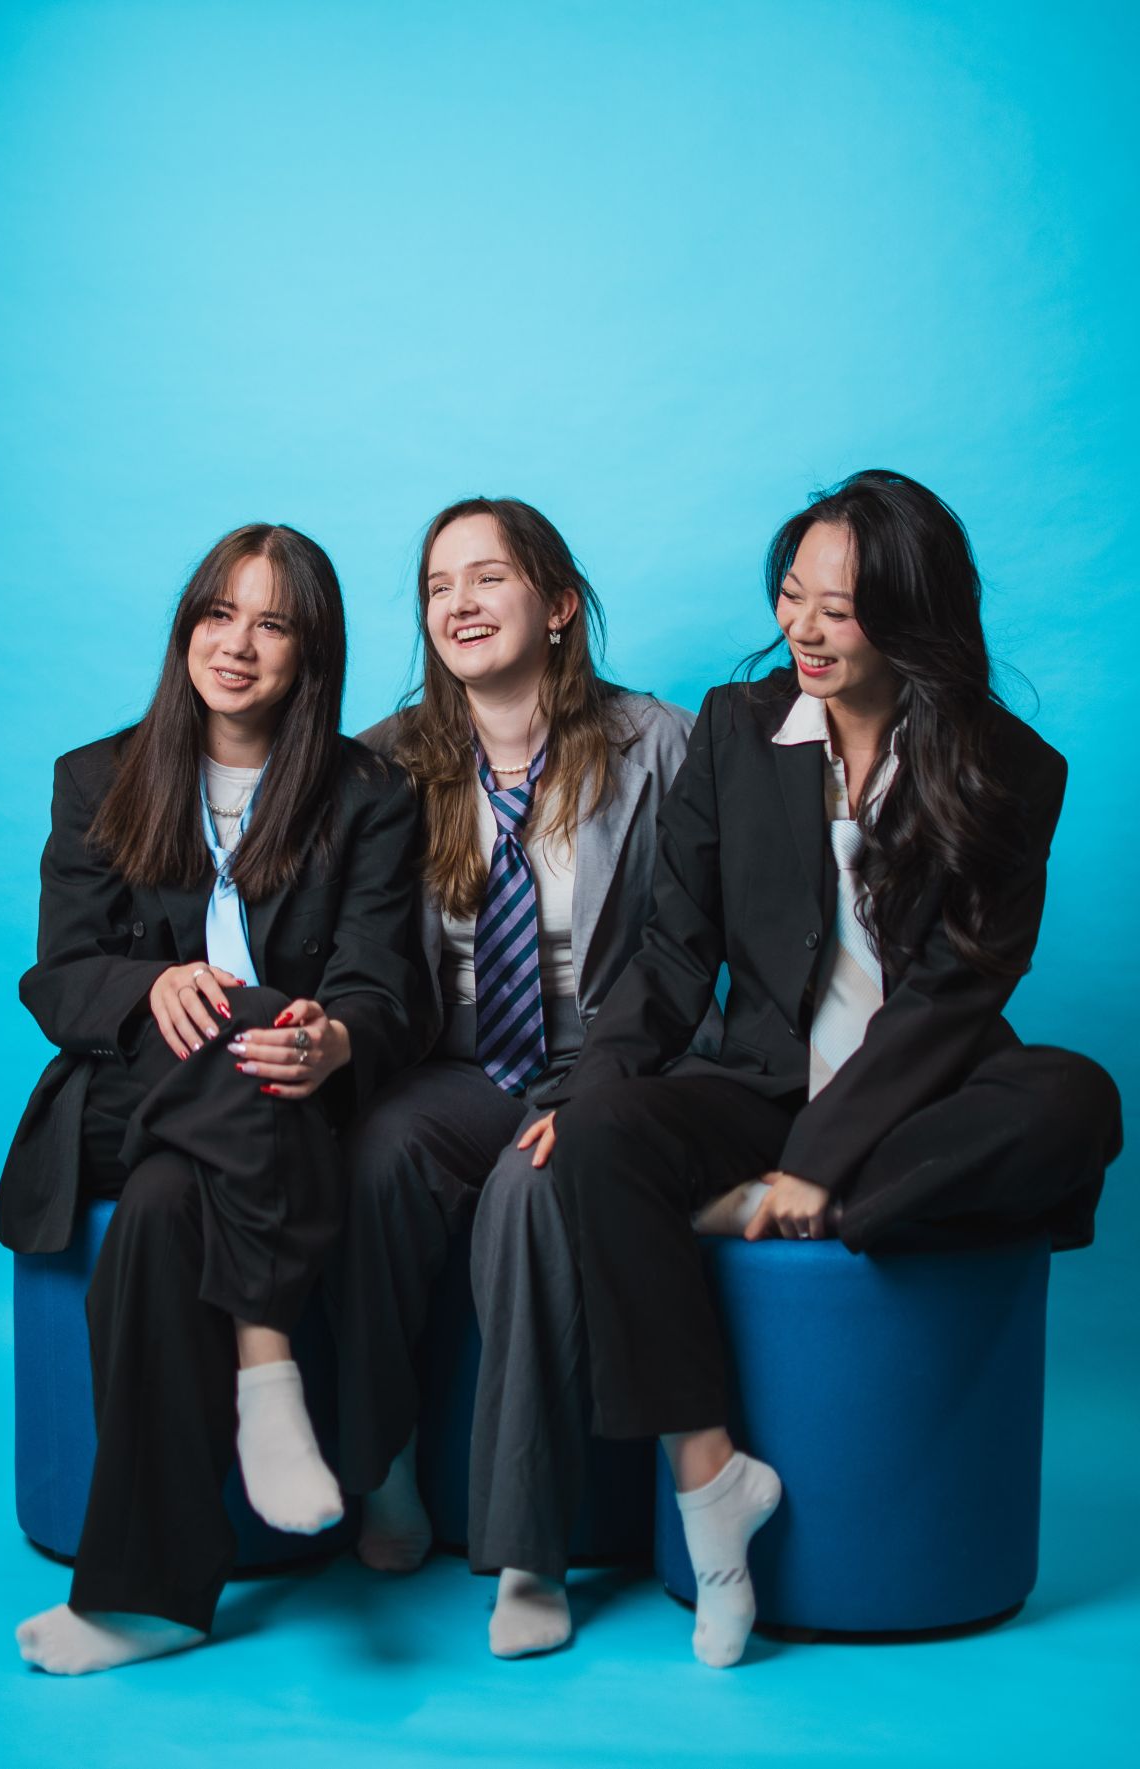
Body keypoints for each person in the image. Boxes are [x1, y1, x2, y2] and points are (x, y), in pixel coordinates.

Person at [515, 469, 1123, 1668]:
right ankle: (709, 1487)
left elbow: (956, 994)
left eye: (836, 609)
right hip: (758, 1086)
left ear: (910, 614)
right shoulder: (737, 728)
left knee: (1077, 1097)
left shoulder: (1009, 767)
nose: (801, 626)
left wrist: (816, 1171)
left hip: (922, 1102)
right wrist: (592, 1092)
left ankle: (818, 1206)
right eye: (790, 594)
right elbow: (672, 949)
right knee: (603, 1134)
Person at [0, 523, 420, 1674]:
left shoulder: (368, 794)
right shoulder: (98, 776)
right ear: (187, 627)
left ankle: (148, 1600)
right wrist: (150, 985)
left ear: (310, 651)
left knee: (163, 1211)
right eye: (218, 614)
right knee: (237, 1017)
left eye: (271, 623)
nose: (236, 644)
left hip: (264, 1112)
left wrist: (333, 1038)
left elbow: (383, 986)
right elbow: (57, 976)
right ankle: (267, 1371)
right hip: (123, 1095)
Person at [326, 496, 700, 1656]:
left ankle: (528, 1549)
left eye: (487, 577)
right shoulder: (385, 761)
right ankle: (382, 1463)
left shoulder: (659, 742)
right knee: (380, 1154)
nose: (459, 603)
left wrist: (600, 1092)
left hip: (614, 1056)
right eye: (438, 585)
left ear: (558, 606)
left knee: (528, 1192)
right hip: (460, 1057)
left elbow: (695, 944)